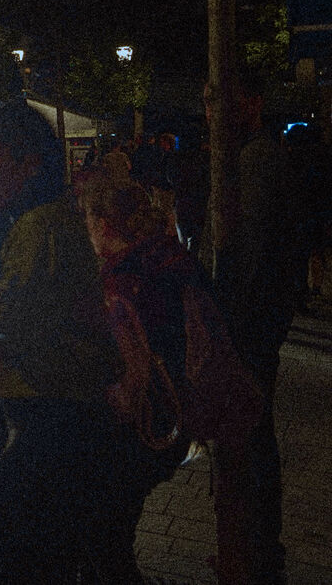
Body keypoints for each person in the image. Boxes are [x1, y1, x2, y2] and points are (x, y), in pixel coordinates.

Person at [0, 100, 123, 584]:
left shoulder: (40, 229)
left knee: (14, 561)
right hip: (58, 418)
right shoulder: (36, 222)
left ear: (30, 165)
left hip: (55, 425)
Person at [199, 69, 299, 585]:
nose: (211, 113)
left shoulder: (256, 159)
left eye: (221, 100)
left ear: (253, 103)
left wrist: (227, 326)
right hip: (252, 323)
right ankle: (254, 546)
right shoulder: (247, 156)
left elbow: (252, 254)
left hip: (248, 326)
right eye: (207, 102)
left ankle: (255, 550)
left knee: (251, 435)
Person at [76, 170, 197, 584]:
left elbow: (125, 380)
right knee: (115, 528)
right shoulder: (171, 258)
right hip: (176, 415)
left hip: (136, 430)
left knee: (102, 537)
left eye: (88, 220)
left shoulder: (120, 283)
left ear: (103, 224)